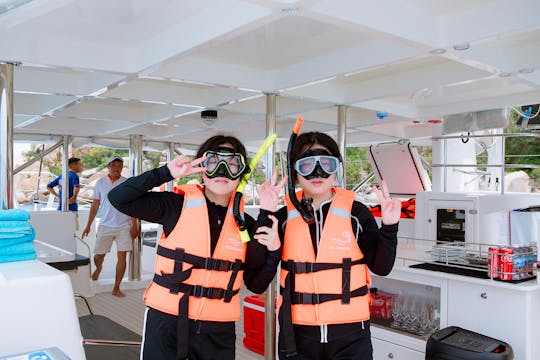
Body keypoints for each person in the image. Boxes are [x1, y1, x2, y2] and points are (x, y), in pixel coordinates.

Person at [108, 135, 284, 360]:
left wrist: (273, 241)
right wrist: (166, 173)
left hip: (217, 330)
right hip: (167, 321)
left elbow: (257, 284)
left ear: (241, 172)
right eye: (213, 162)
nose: (222, 170)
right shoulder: (174, 205)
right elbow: (118, 198)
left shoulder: (245, 224)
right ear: (202, 169)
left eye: (231, 164)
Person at [257, 131, 401, 360]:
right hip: (296, 335)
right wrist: (265, 213)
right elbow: (256, 279)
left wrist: (390, 226)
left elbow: (382, 267)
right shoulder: (283, 217)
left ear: (337, 168)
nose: (317, 172)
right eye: (307, 165)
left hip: (351, 335)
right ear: (295, 172)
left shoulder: (356, 213)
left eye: (326, 163)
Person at [82, 156, 138, 298]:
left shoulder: (126, 183)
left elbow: (132, 205)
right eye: (113, 165)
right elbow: (95, 205)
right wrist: (88, 225)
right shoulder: (100, 183)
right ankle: (99, 267)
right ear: (108, 166)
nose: (116, 167)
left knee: (122, 256)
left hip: (124, 225)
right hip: (105, 225)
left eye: (119, 165)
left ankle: (116, 288)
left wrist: (134, 225)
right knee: (98, 256)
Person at [47, 157, 83, 230]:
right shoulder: (74, 176)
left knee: (61, 229)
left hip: (60, 208)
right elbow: (76, 187)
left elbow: (49, 186)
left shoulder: (62, 176)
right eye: (80, 164)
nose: (82, 166)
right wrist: (74, 197)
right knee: (73, 230)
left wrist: (57, 196)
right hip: (71, 208)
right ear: (73, 165)